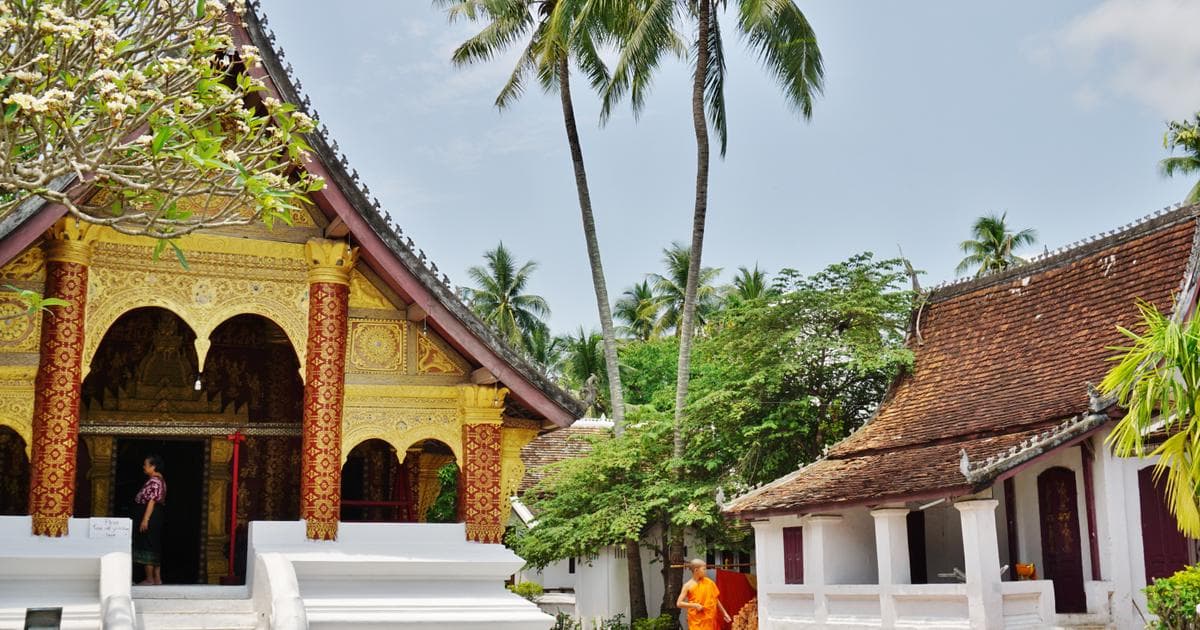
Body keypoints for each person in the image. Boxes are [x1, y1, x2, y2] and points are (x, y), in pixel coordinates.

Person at [132, 454, 167, 585]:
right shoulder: (159, 480)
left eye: (146, 465)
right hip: (154, 515)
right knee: (153, 544)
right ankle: (157, 578)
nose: (144, 467)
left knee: (147, 544)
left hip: (150, 515)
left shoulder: (155, 481)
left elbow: (152, 501)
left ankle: (150, 578)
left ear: (153, 466)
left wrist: (145, 519)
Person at [677, 558, 730, 629]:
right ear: (696, 570)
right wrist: (694, 605)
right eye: (704, 569)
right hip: (696, 621)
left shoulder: (709, 582)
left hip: (710, 619)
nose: (706, 571)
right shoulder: (687, 585)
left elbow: (715, 599)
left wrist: (724, 613)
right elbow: (679, 603)